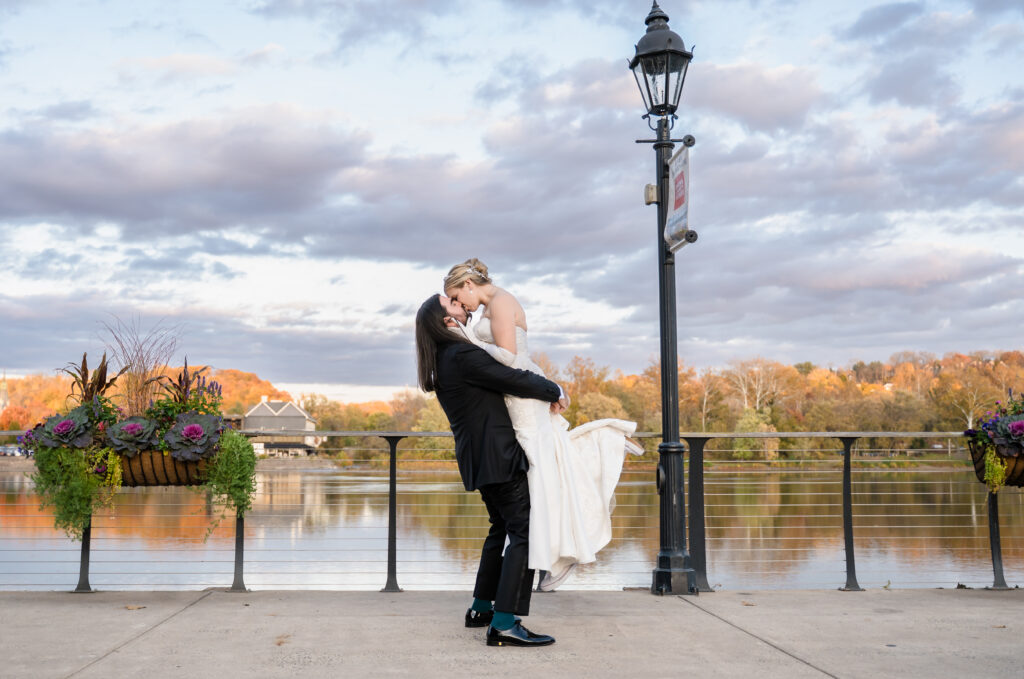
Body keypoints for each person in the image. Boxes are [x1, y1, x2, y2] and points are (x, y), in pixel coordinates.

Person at [444, 258, 642, 591]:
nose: (460, 305)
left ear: (468, 284)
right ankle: (558, 549)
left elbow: (509, 358)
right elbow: (512, 359)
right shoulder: (492, 306)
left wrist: (463, 336)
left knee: (539, 469)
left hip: (520, 395)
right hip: (513, 391)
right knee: (539, 470)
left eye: (456, 297)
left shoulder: (502, 302)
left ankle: (564, 547)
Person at [415, 293, 566, 648]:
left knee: (501, 527)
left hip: (479, 458)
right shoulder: (461, 355)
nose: (462, 305)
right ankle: (504, 624)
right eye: (452, 303)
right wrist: (555, 389)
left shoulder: (443, 358)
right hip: (498, 456)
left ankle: (481, 608)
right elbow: (511, 378)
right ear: (447, 320)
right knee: (524, 531)